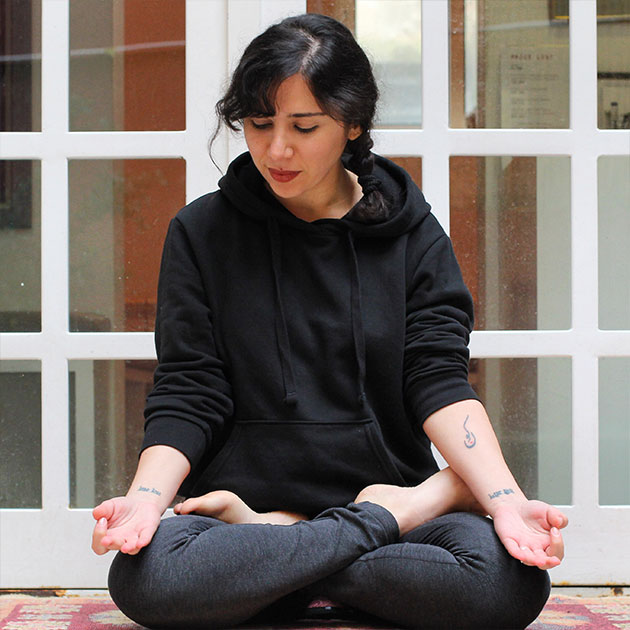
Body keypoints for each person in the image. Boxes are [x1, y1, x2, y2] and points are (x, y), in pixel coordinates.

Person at [92, 13, 568, 630]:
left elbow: (439, 380)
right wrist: (145, 502)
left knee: (505, 584)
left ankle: (276, 570)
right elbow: (189, 389)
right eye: (259, 125)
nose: (277, 149)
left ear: (353, 124)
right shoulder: (200, 233)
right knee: (151, 578)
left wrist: (503, 500)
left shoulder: (414, 237)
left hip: (373, 495)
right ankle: (352, 530)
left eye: (304, 126)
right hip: (281, 513)